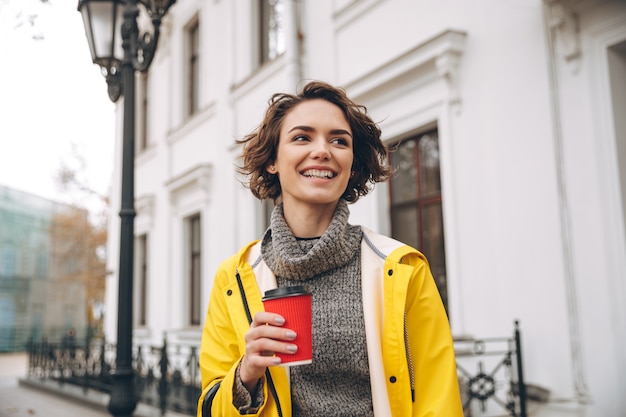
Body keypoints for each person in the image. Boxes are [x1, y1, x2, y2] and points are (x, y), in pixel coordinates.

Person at [197, 81, 463, 417]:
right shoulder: (234, 277)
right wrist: (246, 373)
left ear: (351, 165)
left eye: (339, 140)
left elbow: (439, 401)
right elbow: (208, 406)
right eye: (302, 137)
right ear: (272, 161)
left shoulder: (403, 268)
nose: (323, 150)